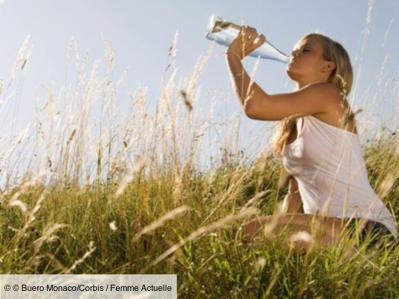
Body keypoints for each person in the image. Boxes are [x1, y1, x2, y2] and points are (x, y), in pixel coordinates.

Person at [225, 25, 398, 250]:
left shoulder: (329, 94)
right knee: (247, 234)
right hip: (330, 227)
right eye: (295, 49)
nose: (294, 53)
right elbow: (295, 197)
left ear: (328, 66)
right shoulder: (293, 124)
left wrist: (233, 56)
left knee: (252, 231)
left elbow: (256, 106)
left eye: (305, 50)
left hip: (370, 228)